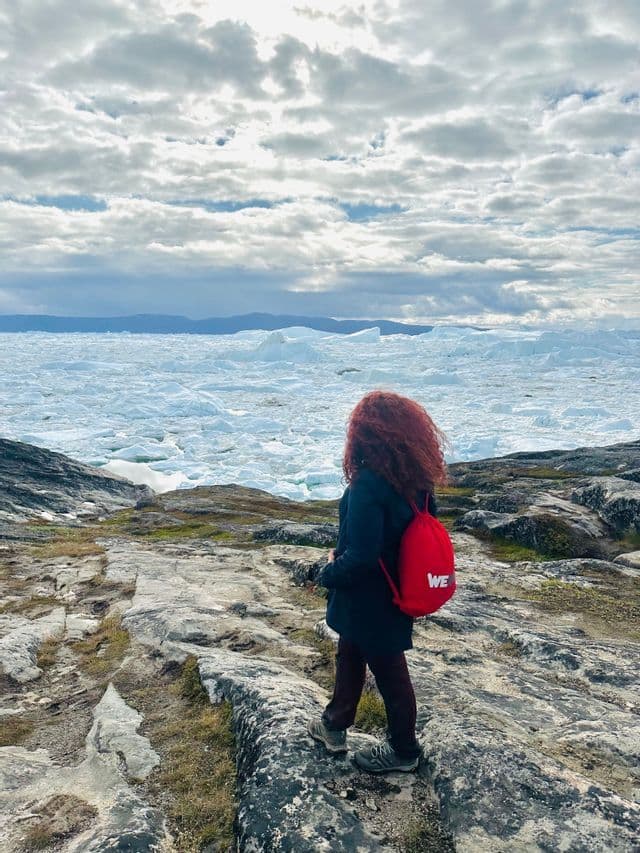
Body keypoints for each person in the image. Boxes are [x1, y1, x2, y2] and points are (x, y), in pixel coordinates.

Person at [307, 390, 448, 773]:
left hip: (368, 598)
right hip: (396, 591)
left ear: (365, 434)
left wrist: (327, 571)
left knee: (390, 673)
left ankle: (404, 750)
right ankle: (334, 724)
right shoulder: (416, 481)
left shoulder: (368, 485)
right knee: (350, 652)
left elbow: (362, 555)